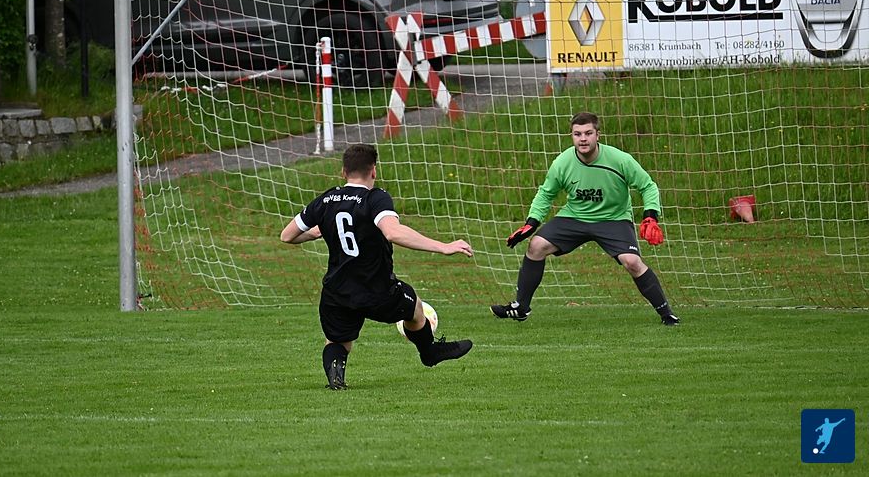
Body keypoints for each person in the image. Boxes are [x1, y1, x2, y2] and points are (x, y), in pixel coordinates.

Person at [281, 143, 475, 390]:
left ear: (343, 171)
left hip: (337, 291)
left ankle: (336, 378)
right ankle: (430, 352)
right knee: (414, 307)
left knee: (338, 341)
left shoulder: (327, 199)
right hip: (377, 290)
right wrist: (443, 246)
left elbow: (287, 236)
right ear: (373, 170)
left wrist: (316, 232)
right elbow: (393, 232)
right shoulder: (375, 198)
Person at [491, 111, 680, 326]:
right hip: (575, 217)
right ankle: (521, 307)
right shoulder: (562, 163)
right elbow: (546, 194)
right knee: (536, 246)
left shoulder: (619, 159)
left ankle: (667, 314)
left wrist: (651, 216)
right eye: (577, 134)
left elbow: (648, 186)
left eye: (588, 133)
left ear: (598, 135)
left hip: (613, 219)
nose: (583, 139)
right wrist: (531, 223)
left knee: (632, 262)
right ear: (571, 136)